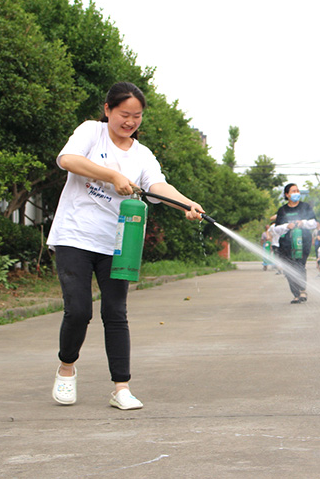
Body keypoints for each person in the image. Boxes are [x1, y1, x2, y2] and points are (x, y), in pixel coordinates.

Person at [47, 82, 205, 410]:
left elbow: (157, 185)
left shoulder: (142, 154)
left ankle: (121, 387)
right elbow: (68, 159)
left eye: (137, 116)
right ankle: (66, 367)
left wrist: (186, 203)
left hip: (118, 242)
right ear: (108, 110)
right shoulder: (92, 132)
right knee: (79, 310)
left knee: (115, 312)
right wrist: (112, 176)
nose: (130, 122)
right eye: (124, 114)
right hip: (75, 236)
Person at [272, 183, 317, 303]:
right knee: (288, 268)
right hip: (286, 244)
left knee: (299, 265)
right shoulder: (282, 210)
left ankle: (302, 290)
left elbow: (314, 223)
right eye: (293, 191)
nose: (296, 193)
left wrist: (303, 223)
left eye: (297, 191)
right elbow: (276, 229)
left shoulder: (305, 207)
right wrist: (287, 226)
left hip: (303, 242)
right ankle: (295, 294)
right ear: (287, 194)